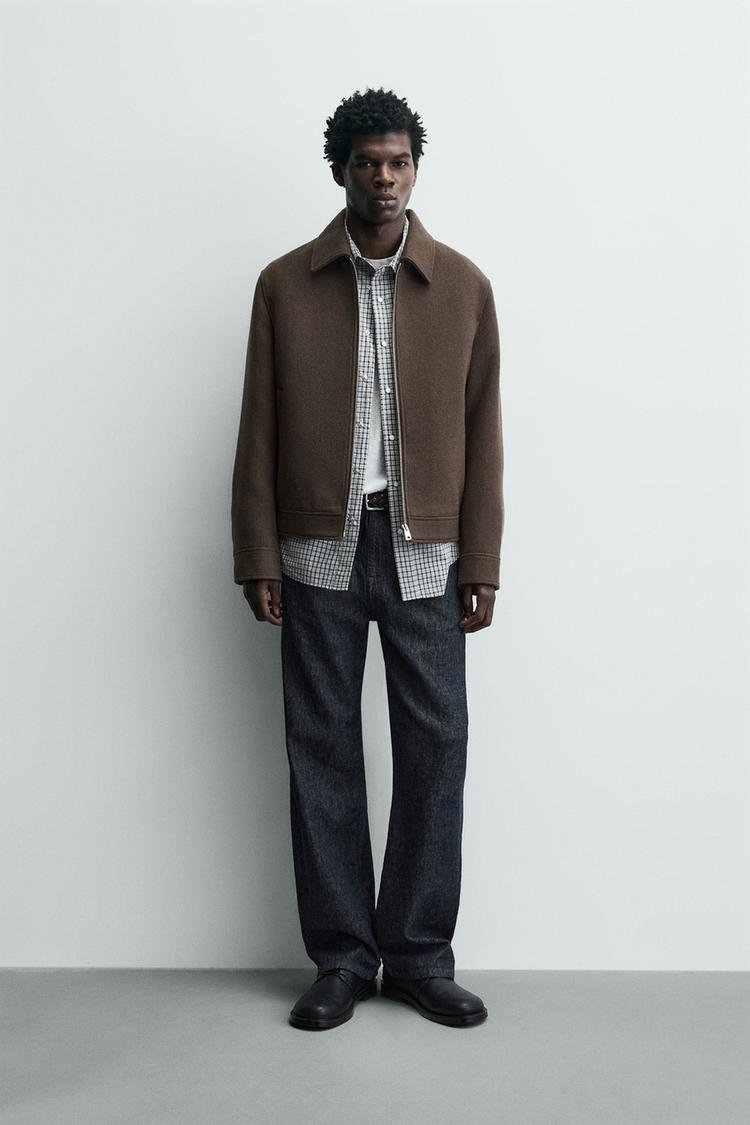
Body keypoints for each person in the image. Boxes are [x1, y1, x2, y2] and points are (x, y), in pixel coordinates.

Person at [231, 86, 504, 1031]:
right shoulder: (285, 284)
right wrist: (256, 552)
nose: (384, 178)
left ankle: (420, 956)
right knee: (321, 749)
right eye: (367, 163)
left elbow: (485, 431)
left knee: (437, 747)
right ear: (340, 170)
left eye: (398, 162)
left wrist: (483, 558)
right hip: (318, 548)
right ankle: (343, 958)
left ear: (415, 169)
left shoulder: (463, 286)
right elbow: (258, 427)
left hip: (429, 551)